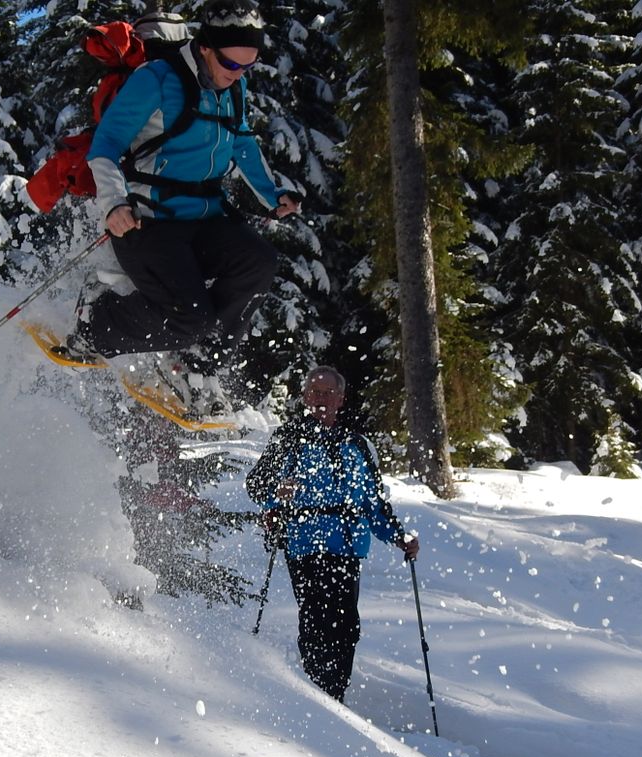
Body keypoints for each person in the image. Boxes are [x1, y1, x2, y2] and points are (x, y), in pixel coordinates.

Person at [61, 0, 301, 408]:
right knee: (191, 319)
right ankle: (94, 325)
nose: (239, 74)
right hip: (147, 222)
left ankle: (198, 365)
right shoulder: (156, 79)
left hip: (205, 216)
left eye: (249, 65)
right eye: (231, 64)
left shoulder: (234, 86)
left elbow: (241, 142)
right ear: (205, 47)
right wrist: (114, 205)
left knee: (259, 262)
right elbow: (106, 145)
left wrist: (272, 194)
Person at [246, 366, 420, 703]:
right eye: (315, 392)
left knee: (346, 626)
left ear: (341, 399)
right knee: (316, 621)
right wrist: (276, 493)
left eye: (328, 393)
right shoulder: (287, 438)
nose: (321, 399)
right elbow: (256, 484)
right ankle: (318, 696)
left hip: (347, 547)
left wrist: (399, 537)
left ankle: (334, 696)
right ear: (304, 397)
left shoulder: (357, 445)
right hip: (303, 544)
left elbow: (373, 503)